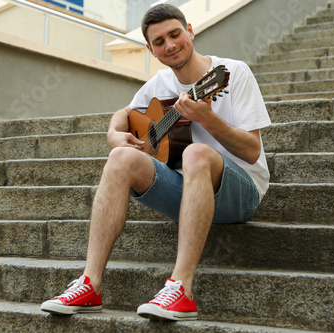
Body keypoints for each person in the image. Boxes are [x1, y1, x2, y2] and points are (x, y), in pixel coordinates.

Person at [40, 3, 271, 321]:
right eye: (159, 41)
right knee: (121, 156)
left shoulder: (230, 73)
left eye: (175, 34)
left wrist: (208, 120)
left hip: (239, 192)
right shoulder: (158, 85)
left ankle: (181, 289)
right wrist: (114, 134)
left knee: (195, 152)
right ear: (151, 49)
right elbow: (124, 113)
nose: (170, 45)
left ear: (190, 31)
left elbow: (252, 152)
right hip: (188, 192)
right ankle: (89, 284)